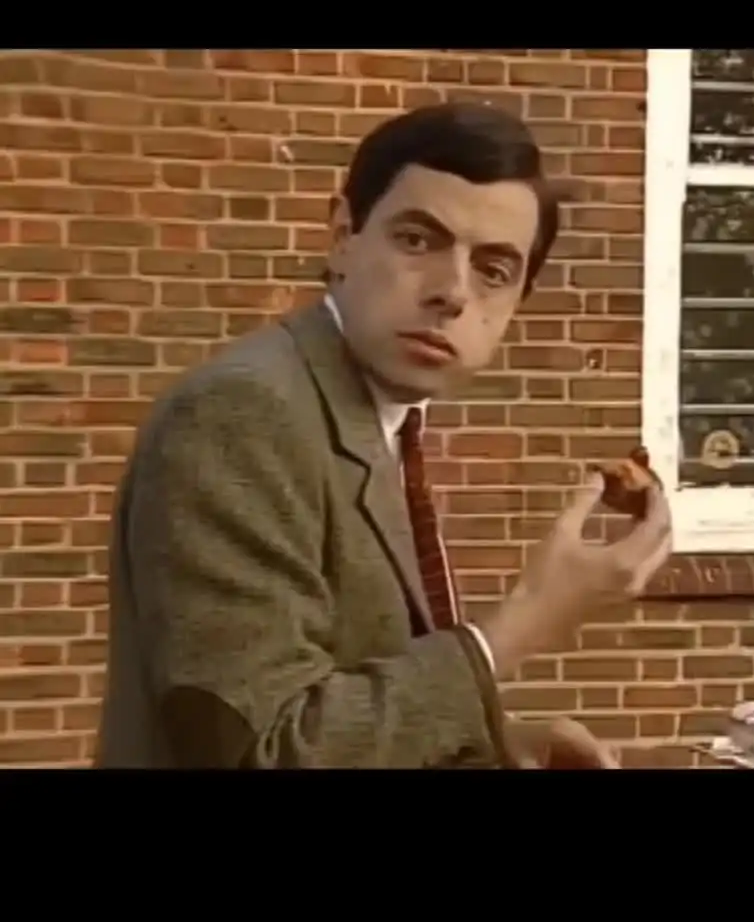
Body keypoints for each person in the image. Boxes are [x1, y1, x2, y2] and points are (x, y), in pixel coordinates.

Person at [97, 100, 672, 768]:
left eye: (493, 270)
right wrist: (531, 614)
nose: (452, 292)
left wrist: (496, 743)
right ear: (343, 235)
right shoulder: (241, 414)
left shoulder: (374, 416)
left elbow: (345, 701)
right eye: (418, 241)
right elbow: (271, 750)